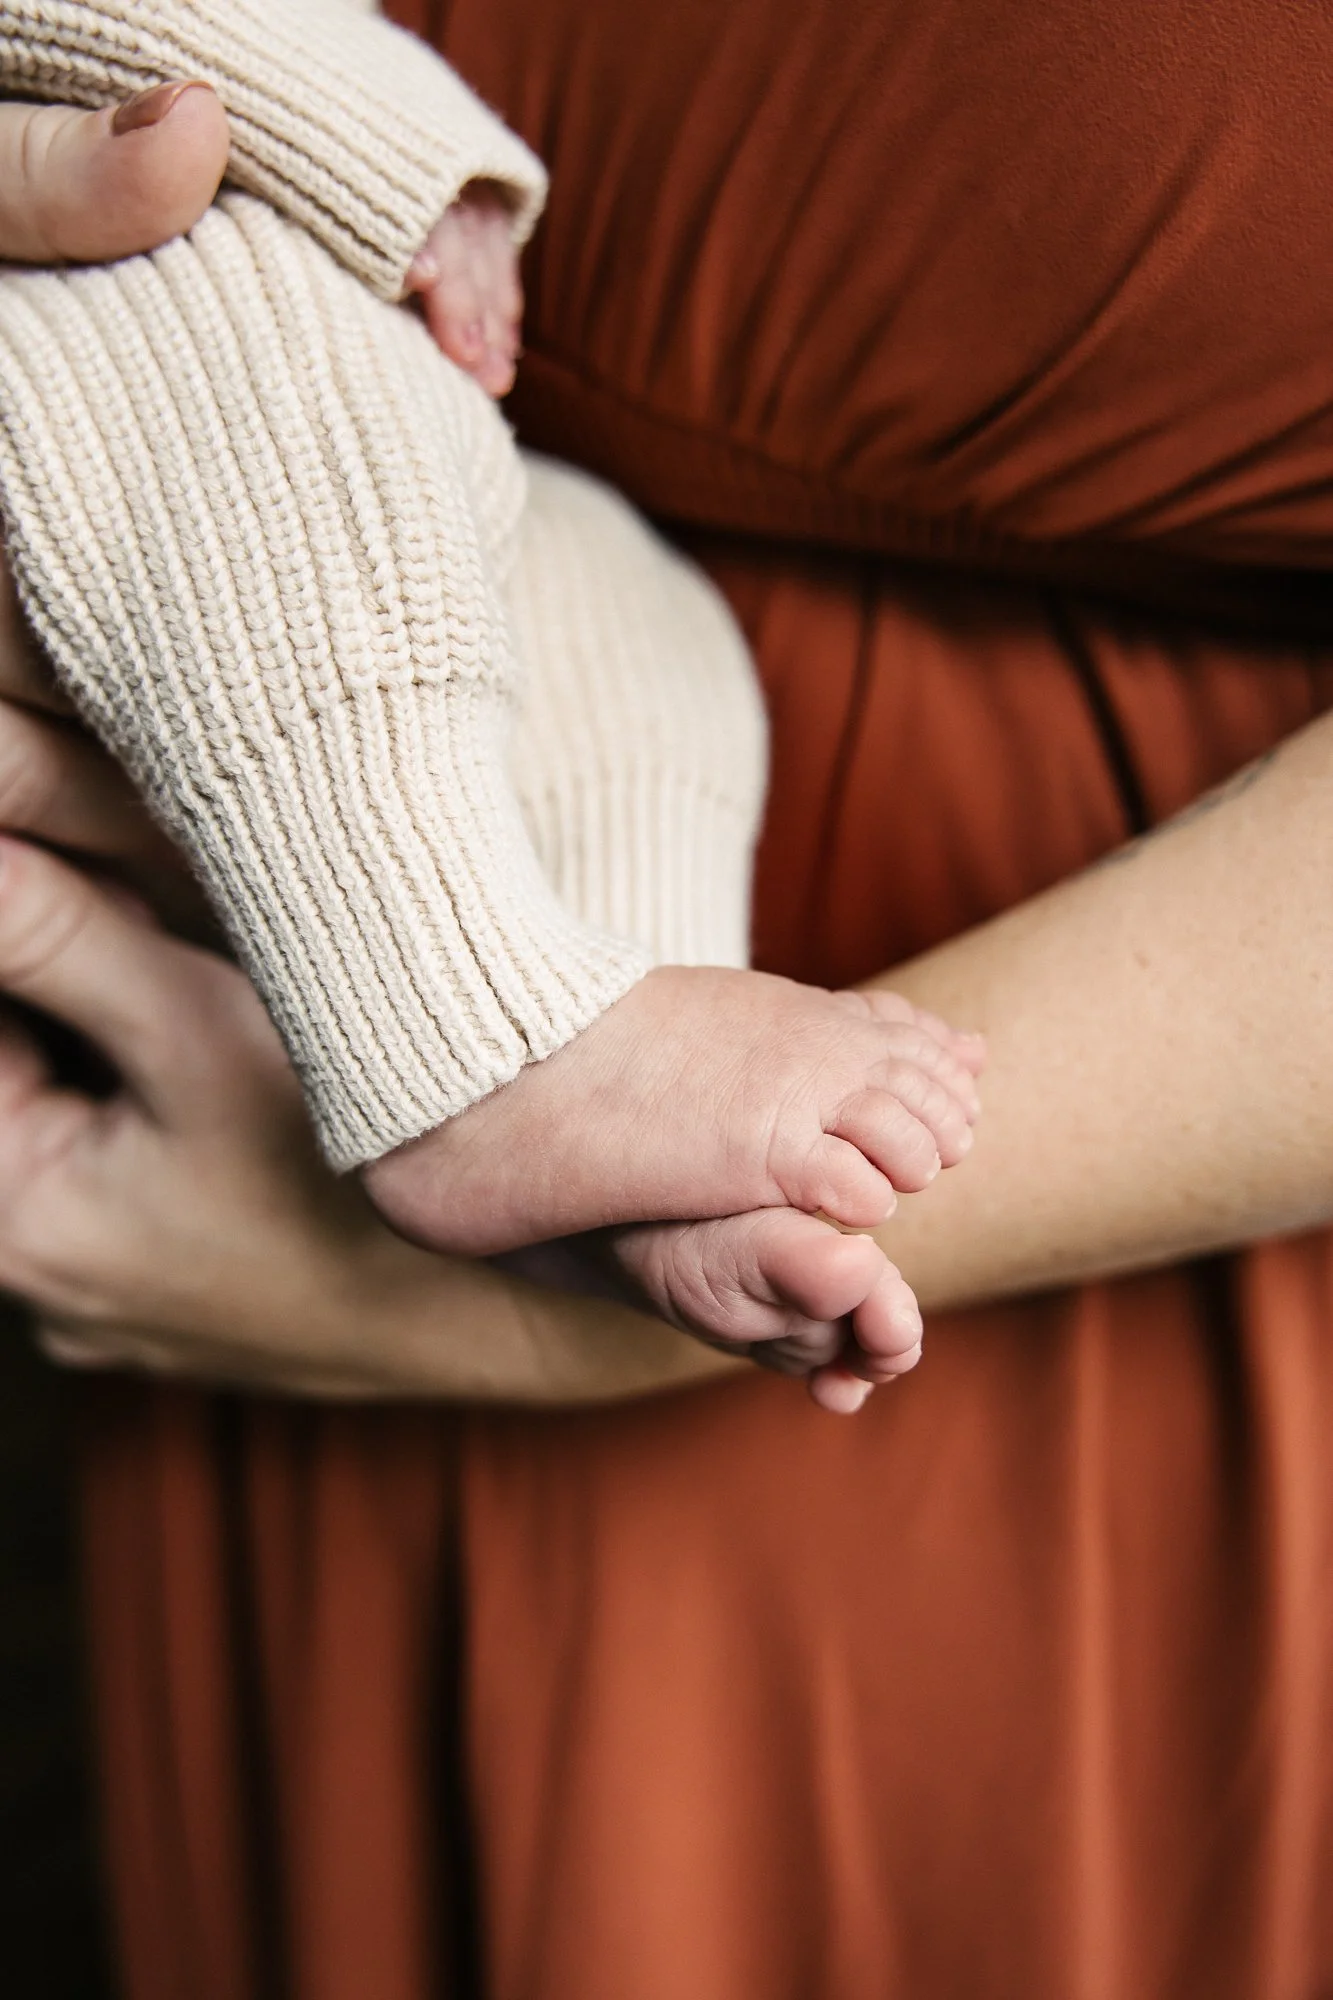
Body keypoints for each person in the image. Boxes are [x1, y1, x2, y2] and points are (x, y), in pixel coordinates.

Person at [6, 0, 1333, 1993]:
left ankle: (582, 1114)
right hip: (248, 342)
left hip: (1135, 1090)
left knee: (630, 701)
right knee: (276, 454)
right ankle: (476, 1045)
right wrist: (395, 167)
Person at [0, 0, 981, 1405]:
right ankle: (475, 1045)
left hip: (387, 458)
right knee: (235, 329)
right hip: (109, 309)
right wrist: (392, 155)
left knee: (632, 618)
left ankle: (617, 1141)